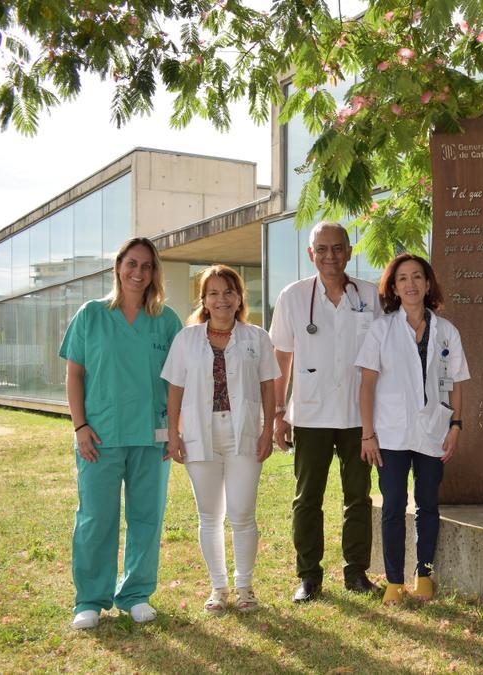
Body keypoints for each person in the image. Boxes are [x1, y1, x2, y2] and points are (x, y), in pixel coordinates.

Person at [60, 237, 183, 630]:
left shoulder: (166, 320)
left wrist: (174, 431)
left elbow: (180, 380)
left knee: (147, 516)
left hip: (152, 435)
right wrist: (80, 425)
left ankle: (135, 594)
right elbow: (75, 374)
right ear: (118, 266)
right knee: (96, 517)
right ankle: (91, 599)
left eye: (147, 266)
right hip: (100, 434)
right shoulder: (91, 315)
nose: (138, 272)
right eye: (132, 263)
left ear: (154, 273)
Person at [269, 222, 381, 602]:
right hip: (311, 416)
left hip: (358, 417)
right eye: (322, 249)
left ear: (350, 252)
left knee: (359, 496)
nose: (330, 256)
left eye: (338, 248)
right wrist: (278, 412)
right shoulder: (293, 296)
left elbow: (385, 355)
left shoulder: (370, 295)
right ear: (310, 254)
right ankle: (309, 577)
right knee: (307, 498)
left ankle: (356, 573)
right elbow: (281, 357)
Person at [162, 265, 280, 613]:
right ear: (204, 300)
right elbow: (175, 389)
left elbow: (268, 386)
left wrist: (267, 430)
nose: (222, 299)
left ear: (239, 297)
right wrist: (173, 432)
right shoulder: (187, 339)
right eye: (213, 293)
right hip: (200, 431)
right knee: (209, 515)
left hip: (243, 432)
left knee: (243, 512)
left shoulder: (256, 337)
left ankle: (245, 587)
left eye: (228, 291)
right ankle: (218, 588)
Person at [356, 254, 469, 604]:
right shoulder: (381, 329)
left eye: (417, 277)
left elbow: (456, 382)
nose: (411, 284)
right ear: (393, 287)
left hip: (433, 430)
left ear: (428, 283)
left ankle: (424, 575)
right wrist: (367, 433)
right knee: (393, 505)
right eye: (402, 278)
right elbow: (367, 384)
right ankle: (393, 581)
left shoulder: (446, 331)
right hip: (389, 433)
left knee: (427, 505)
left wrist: (456, 425)